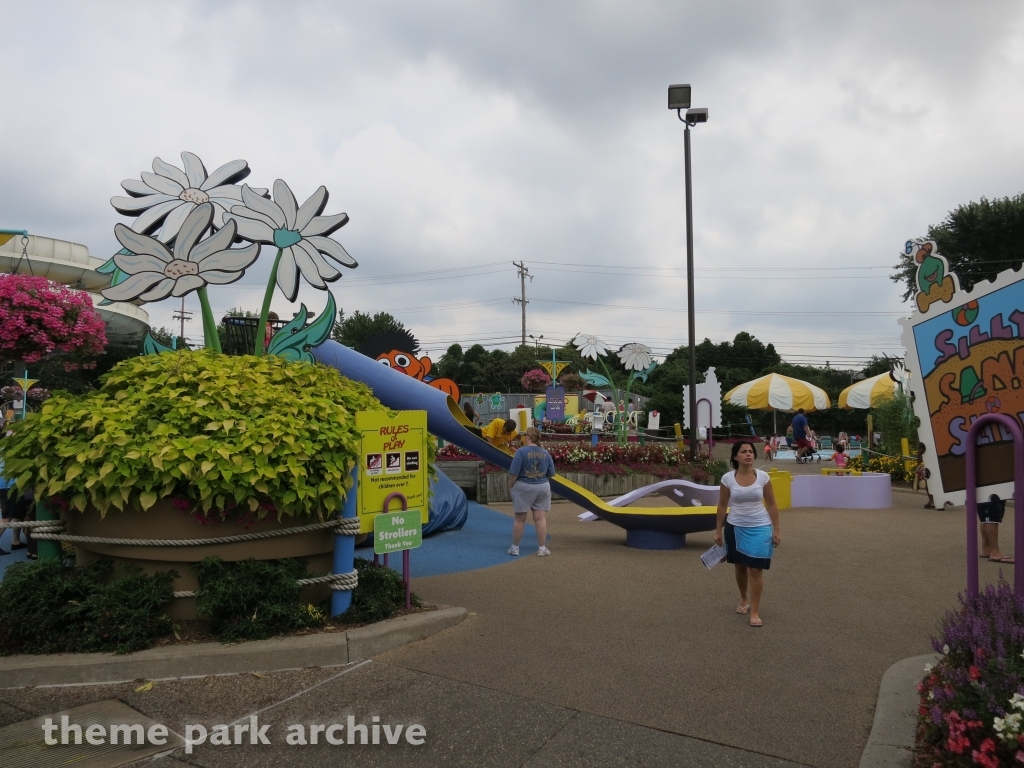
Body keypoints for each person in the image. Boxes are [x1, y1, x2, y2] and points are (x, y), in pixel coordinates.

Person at [714, 441, 781, 628]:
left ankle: (755, 611)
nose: (748, 454)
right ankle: (744, 598)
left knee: (756, 569)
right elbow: (722, 505)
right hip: (735, 527)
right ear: (736, 456)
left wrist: (776, 529)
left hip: (761, 527)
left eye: (751, 451)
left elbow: (772, 504)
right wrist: (718, 531)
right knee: (740, 566)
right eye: (743, 451)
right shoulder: (727, 478)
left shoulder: (763, 477)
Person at [507, 427, 555, 557]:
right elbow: (551, 473)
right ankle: (542, 548)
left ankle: (515, 548)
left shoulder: (521, 452)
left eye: (525, 435)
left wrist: (511, 485)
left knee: (520, 519)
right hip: (542, 486)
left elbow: (514, 473)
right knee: (540, 518)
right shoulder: (545, 453)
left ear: (528, 437)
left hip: (524, 486)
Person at [978, 494, 1013, 564]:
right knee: (991, 518)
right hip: (990, 491)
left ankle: (987, 549)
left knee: (987, 519)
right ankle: (995, 551)